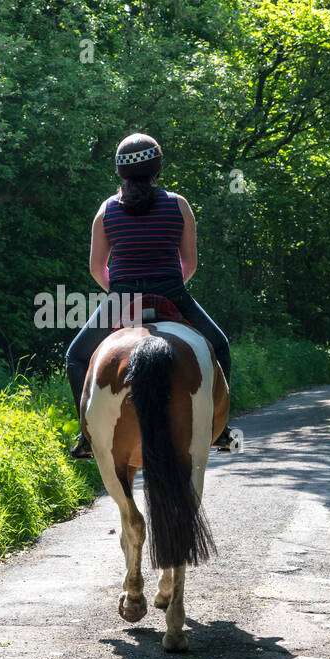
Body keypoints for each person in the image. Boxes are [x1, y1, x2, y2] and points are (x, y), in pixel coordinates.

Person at [66, 132, 235, 460]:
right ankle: (221, 429)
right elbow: (191, 263)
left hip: (121, 299)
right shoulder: (178, 204)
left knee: (75, 356)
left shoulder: (106, 210)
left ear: (120, 171)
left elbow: (96, 268)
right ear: (157, 167)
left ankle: (87, 436)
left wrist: (119, 295)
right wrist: (169, 287)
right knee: (220, 346)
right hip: (172, 291)